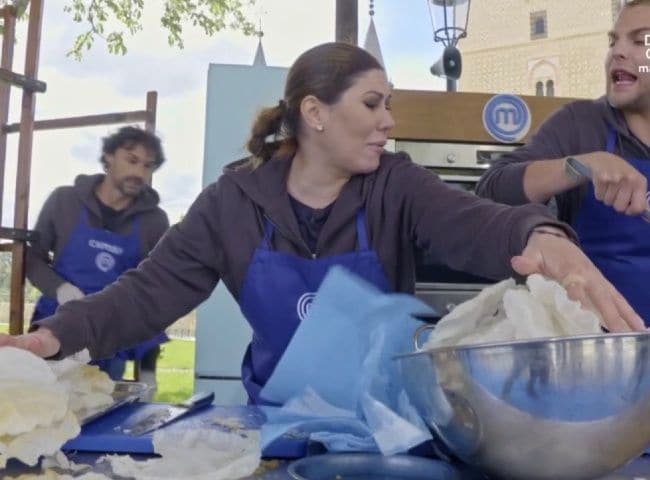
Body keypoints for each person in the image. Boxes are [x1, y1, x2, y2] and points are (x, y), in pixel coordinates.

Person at [0, 42, 643, 405]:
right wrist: (48, 339)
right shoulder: (232, 204)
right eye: (372, 104)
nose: (389, 121)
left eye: (389, 105)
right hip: (270, 423)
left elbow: (481, 222)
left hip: (387, 425)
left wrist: (546, 239)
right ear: (314, 112)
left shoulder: (397, 185)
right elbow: (144, 295)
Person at [476, 0, 650, 325]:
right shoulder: (579, 125)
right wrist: (580, 165)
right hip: (603, 350)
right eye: (613, 41)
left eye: (641, 41)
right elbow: (492, 189)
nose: (618, 52)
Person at [25, 126, 170, 387]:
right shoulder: (64, 201)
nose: (139, 172)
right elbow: (32, 260)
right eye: (131, 160)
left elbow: (155, 292)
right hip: (57, 321)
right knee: (46, 403)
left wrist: (149, 374)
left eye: (148, 166)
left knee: (98, 402)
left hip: (112, 330)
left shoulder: (154, 222)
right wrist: (61, 289)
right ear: (108, 156)